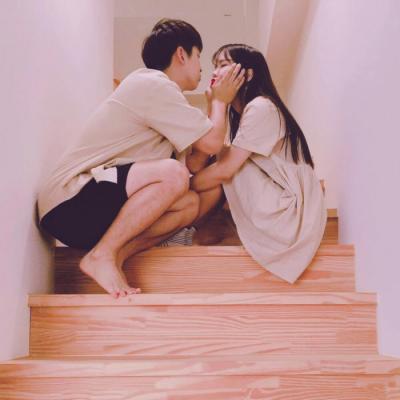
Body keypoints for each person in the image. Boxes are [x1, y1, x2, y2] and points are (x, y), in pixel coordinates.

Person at [37, 20, 245, 298]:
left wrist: (211, 105)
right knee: (173, 174)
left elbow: (195, 163)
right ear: (181, 54)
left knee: (188, 203)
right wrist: (220, 102)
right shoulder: (152, 84)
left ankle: (112, 256)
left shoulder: (169, 104)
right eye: (198, 56)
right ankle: (103, 254)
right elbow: (210, 143)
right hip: (68, 201)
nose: (202, 67)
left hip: (89, 214)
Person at [188, 44, 327, 283]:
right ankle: (187, 231)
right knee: (220, 154)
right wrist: (214, 105)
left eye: (223, 65)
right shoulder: (247, 112)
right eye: (214, 66)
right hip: (279, 199)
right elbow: (203, 156)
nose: (215, 73)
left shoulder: (261, 107)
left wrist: (184, 186)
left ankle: (180, 230)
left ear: (248, 74)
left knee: (225, 162)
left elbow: (225, 170)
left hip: (289, 211)